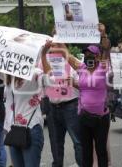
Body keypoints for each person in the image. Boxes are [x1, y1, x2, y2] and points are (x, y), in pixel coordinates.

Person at [57, 33, 110, 166]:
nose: (88, 56)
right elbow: (67, 55)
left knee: (101, 150)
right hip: (84, 117)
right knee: (86, 151)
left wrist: (104, 38)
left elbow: (107, 50)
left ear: (98, 56)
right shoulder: (81, 68)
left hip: (101, 118)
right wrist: (59, 37)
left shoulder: (103, 68)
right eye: (86, 54)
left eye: (91, 54)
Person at [42, 39, 82, 167]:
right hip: (53, 107)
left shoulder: (73, 61)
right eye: (51, 46)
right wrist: (43, 54)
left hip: (71, 106)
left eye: (55, 45)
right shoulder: (46, 61)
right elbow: (46, 78)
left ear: (63, 46)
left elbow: (86, 84)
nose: (52, 48)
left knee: (78, 142)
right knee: (55, 143)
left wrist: (74, 83)